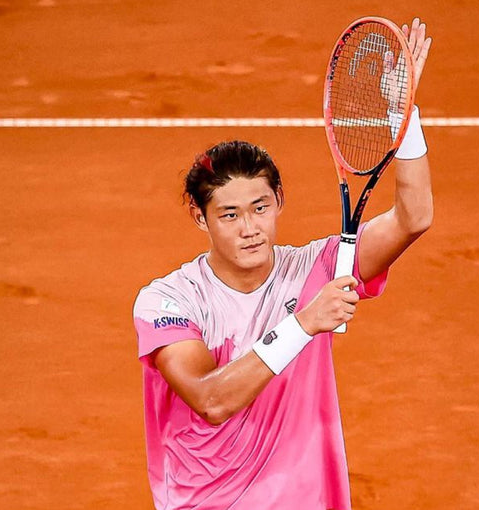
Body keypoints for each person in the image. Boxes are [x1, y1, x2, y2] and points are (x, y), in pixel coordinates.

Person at [133, 18, 433, 510]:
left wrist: (406, 118)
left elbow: (414, 217)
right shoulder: (167, 301)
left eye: (260, 208)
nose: (250, 228)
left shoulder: (318, 268)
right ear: (200, 217)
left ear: (278, 202)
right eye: (229, 215)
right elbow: (211, 401)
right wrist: (304, 322)